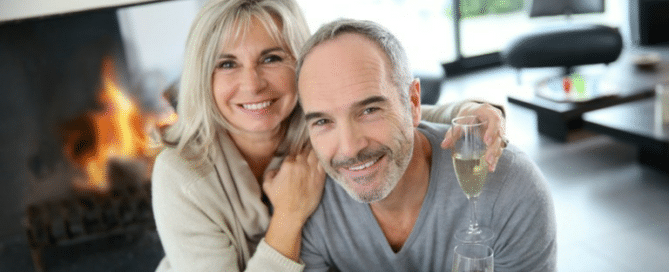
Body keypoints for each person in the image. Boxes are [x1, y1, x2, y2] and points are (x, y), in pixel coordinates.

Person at [151, 0, 508, 271]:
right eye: (227, 64)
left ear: (300, 66)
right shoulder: (181, 175)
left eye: (272, 58)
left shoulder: (316, 129)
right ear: (204, 76)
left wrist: (469, 112)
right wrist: (288, 216)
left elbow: (392, 115)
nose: (252, 84)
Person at [296, 19, 557, 271]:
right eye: (322, 121)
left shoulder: (509, 189)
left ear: (413, 102)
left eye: (369, 110)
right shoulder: (306, 201)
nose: (349, 149)